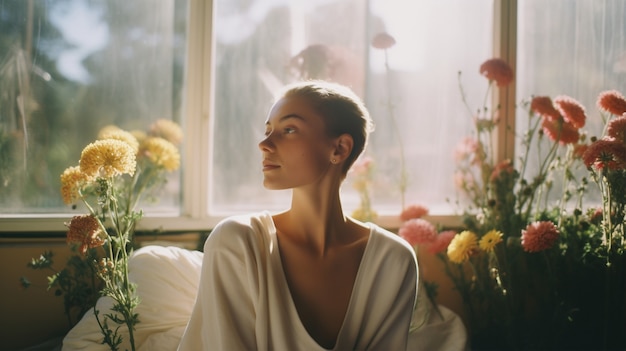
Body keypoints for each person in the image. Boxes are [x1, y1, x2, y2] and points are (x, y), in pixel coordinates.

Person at [177, 80, 418, 351]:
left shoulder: (393, 260)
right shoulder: (237, 243)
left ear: (339, 149)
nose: (264, 143)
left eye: (288, 129)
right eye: (268, 130)